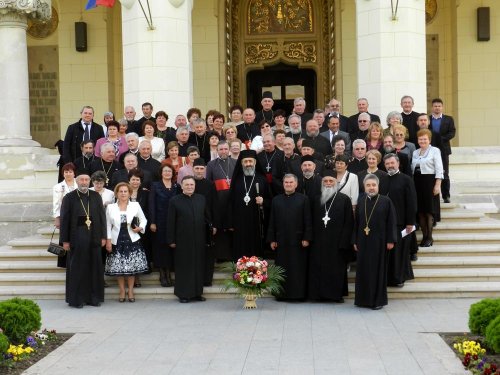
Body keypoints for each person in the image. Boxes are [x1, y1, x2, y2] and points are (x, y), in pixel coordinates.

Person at [60, 172, 106, 308]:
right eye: (82, 180)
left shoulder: (96, 196)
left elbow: (102, 217)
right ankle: (77, 299)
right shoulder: (69, 197)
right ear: (77, 181)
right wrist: (65, 241)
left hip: (94, 235)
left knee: (94, 267)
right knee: (78, 268)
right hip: (77, 236)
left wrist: (103, 236)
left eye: (86, 180)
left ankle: (94, 298)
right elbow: (65, 220)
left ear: (89, 182)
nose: (84, 182)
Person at [353, 174, 397, 310]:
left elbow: (392, 222)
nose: (371, 188)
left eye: (373, 185)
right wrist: (354, 240)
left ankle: (377, 301)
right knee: (363, 270)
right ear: (364, 187)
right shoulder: (361, 201)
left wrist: (391, 240)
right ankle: (363, 300)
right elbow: (356, 223)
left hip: (380, 241)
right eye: (368, 185)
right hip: (363, 241)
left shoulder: (386, 201)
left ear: (378, 186)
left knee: (378, 271)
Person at [308, 171, 353, 302]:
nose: (328, 184)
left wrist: (344, 242)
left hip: (337, 243)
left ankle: (335, 296)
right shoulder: (316, 199)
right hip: (318, 242)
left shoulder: (344, 199)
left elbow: (349, 222)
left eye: (331, 181)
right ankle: (317, 295)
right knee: (317, 269)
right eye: (325, 181)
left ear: (336, 183)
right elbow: (309, 220)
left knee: (336, 270)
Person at [167, 176, 213, 303]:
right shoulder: (174, 200)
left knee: (198, 266)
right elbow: (171, 221)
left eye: (191, 185)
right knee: (184, 267)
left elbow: (206, 217)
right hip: (182, 240)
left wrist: (211, 229)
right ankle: (183, 294)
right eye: (186, 185)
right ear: (182, 186)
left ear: (195, 186)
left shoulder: (201, 199)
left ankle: (197, 293)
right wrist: (171, 239)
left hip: (199, 238)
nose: (189, 187)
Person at [267, 174, 312, 301]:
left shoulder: (303, 199)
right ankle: (280, 294)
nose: (288, 184)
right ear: (283, 184)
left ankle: (298, 294)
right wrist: (272, 239)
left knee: (297, 269)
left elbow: (307, 220)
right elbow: (272, 221)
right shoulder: (276, 200)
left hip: (298, 241)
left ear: (296, 184)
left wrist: (307, 238)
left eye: (291, 182)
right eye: (286, 182)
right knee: (281, 268)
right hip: (281, 241)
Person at [105, 182, 149, 302]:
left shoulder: (135, 205)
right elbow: (107, 225)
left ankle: (130, 290)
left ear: (130, 193)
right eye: (121, 191)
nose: (123, 193)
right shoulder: (110, 207)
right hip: (116, 239)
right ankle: (122, 290)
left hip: (132, 238)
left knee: (131, 267)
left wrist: (140, 228)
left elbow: (144, 220)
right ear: (116, 194)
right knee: (118, 267)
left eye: (125, 191)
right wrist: (108, 241)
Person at [228, 149, 271, 260]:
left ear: (255, 162)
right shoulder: (236, 180)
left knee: (256, 247)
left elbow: (270, 200)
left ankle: (257, 271)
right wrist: (231, 222)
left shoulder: (262, 179)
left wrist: (263, 201)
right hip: (239, 222)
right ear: (241, 163)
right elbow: (230, 201)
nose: (248, 164)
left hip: (256, 221)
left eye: (250, 161)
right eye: (245, 162)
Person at [383, 153, 417, 287]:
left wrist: (410, 222)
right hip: (386, 222)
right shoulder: (383, 179)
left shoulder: (406, 179)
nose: (390, 166)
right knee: (389, 253)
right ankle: (388, 278)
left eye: (392, 163)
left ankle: (399, 278)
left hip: (401, 222)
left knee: (399, 252)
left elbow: (412, 202)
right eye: (387, 164)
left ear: (398, 164)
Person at [411, 129, 443, 247]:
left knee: (429, 211)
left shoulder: (435, 151)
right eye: (420, 139)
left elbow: (439, 168)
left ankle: (429, 237)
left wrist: (437, 184)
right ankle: (424, 237)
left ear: (429, 140)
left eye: (425, 139)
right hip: (417, 183)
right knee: (420, 211)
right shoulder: (415, 152)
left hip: (430, 182)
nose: (422, 141)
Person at [206, 140, 237, 261]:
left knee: (232, 228)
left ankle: (233, 254)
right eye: (221, 149)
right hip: (218, 201)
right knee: (220, 230)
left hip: (232, 201)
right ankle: (221, 256)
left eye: (225, 149)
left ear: (228, 150)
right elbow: (209, 182)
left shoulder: (235, 162)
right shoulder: (211, 164)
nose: (223, 151)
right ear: (217, 151)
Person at [149, 163, 179, 287]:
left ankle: (169, 274)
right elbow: (151, 205)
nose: (167, 173)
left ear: (172, 174)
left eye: (169, 171)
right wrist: (152, 222)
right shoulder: (155, 185)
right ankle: (163, 275)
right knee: (161, 249)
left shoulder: (176, 186)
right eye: (165, 171)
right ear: (161, 173)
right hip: (159, 222)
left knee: (170, 247)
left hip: (173, 222)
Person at [192, 158, 217, 286]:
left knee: (208, 254)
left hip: (207, 224)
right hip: (191, 225)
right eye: (197, 168)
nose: (199, 171)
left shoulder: (210, 185)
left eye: (202, 169)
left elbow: (214, 205)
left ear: (205, 170)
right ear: (193, 169)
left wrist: (214, 224)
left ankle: (207, 280)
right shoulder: (188, 184)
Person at [429, 98, 456, 203]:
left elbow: (452, 133)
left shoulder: (449, 119)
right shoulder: (428, 119)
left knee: (444, 172)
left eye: (439, 106)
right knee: (431, 172)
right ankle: (432, 195)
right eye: (435, 106)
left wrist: (440, 139)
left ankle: (446, 196)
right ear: (432, 107)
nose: (437, 108)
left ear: (442, 107)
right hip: (430, 148)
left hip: (444, 149)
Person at [53, 163, 77, 268]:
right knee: (65, 238)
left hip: (78, 215)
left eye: (70, 172)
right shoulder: (58, 187)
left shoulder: (79, 184)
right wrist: (57, 218)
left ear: (74, 173)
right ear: (63, 174)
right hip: (64, 216)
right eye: (66, 172)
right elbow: (56, 203)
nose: (68, 174)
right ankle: (65, 263)